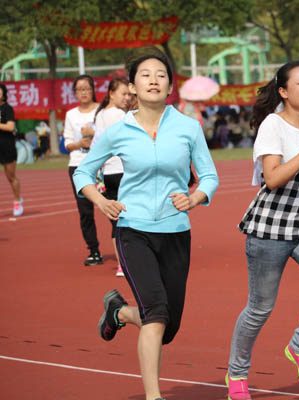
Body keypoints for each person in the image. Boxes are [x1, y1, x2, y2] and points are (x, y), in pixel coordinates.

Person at [73, 50, 218, 400]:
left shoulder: (188, 128)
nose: (154, 80)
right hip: (133, 230)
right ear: (133, 86)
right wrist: (101, 201)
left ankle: (119, 311)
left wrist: (194, 198)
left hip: (176, 232)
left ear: (170, 85)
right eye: (145, 75)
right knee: (156, 313)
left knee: (169, 326)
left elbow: (210, 176)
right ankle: (154, 396)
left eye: (161, 75)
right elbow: (83, 172)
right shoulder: (117, 131)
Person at [228, 61, 299, 400]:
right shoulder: (272, 126)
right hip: (270, 226)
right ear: (283, 91)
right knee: (259, 309)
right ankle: (237, 374)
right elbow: (273, 177)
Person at [91, 77, 130, 277]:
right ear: (111, 93)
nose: (127, 98)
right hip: (124, 170)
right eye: (123, 94)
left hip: (108, 172)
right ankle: (130, 260)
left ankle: (121, 265)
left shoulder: (100, 115)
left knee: (116, 219)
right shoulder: (119, 115)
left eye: (129, 94)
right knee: (130, 217)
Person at [64, 75, 102, 265]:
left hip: (102, 167)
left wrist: (93, 134)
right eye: (80, 90)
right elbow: (67, 143)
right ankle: (94, 250)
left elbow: (110, 134)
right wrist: (80, 143)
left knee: (113, 205)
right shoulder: (71, 114)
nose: (84, 92)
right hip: (78, 166)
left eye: (87, 88)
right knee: (85, 211)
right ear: (74, 93)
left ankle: (122, 245)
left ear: (93, 90)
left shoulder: (101, 111)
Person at [0, 84, 22, 216]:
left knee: (11, 176)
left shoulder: (7, 109)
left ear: (4, 94)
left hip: (6, 146)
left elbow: (10, 127)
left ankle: (17, 200)